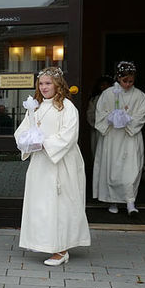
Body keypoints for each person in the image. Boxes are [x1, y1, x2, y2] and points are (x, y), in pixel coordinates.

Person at [14, 66, 91, 266]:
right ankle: (43, 241)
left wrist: (44, 142)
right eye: (41, 83)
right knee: (42, 205)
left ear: (58, 84)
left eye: (48, 83)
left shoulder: (66, 107)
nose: (44, 87)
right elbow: (23, 130)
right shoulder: (36, 106)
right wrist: (27, 140)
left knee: (60, 204)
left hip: (61, 162)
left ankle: (62, 249)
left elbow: (69, 136)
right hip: (41, 162)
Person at [92, 60, 145, 215]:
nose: (128, 84)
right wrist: (110, 118)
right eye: (125, 81)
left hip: (129, 137)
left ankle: (130, 202)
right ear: (118, 78)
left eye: (131, 81)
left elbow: (141, 115)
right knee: (113, 169)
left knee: (131, 169)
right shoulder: (108, 94)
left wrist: (128, 120)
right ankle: (113, 201)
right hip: (112, 137)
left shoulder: (140, 96)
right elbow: (100, 113)